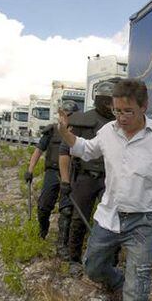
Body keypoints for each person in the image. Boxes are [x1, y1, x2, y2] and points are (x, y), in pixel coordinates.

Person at [58, 78, 152, 300]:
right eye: (116, 111)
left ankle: (131, 287)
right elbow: (86, 149)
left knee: (137, 289)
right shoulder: (108, 131)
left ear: (144, 106)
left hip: (143, 222)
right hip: (108, 216)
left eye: (128, 111)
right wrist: (65, 134)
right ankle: (118, 281)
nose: (121, 118)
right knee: (92, 267)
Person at [59, 78, 119, 271]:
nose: (110, 106)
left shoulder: (120, 123)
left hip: (110, 179)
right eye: (107, 101)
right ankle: (74, 260)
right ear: (99, 100)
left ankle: (109, 262)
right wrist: (65, 181)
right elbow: (65, 151)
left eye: (113, 101)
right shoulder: (80, 120)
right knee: (79, 219)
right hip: (85, 178)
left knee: (112, 220)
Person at [24, 100, 79, 259]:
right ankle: (42, 232)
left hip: (70, 174)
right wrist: (30, 170)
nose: (66, 117)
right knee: (43, 206)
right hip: (52, 173)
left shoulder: (80, 130)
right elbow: (38, 150)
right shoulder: (51, 131)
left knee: (67, 210)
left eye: (69, 115)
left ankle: (62, 245)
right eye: (63, 114)